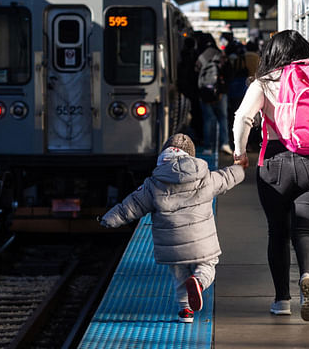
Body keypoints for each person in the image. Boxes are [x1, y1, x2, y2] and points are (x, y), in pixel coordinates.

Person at [231, 30, 309, 322]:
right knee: (305, 231)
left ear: (272, 53)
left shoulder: (264, 82)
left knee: (277, 233)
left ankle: (282, 301)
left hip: (275, 163)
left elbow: (242, 117)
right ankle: (307, 274)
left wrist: (240, 152)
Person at [99, 133, 244, 323]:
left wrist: (106, 219)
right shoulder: (206, 177)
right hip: (202, 243)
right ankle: (199, 283)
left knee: (180, 277)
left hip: (172, 247)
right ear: (190, 155)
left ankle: (186, 312)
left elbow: (129, 207)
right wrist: (240, 167)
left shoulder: (153, 184)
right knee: (208, 265)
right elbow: (228, 177)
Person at [195, 37, 233, 155]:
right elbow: (229, 73)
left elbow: (195, 73)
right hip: (220, 93)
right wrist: (223, 89)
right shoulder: (220, 55)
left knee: (208, 119)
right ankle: (225, 144)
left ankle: (208, 147)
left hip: (205, 93)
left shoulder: (200, 57)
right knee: (222, 118)